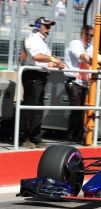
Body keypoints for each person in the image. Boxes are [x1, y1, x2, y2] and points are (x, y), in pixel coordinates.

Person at [64, 25, 101, 142]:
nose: (89, 37)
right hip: (74, 82)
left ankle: (78, 134)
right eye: (87, 34)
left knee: (82, 110)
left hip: (84, 83)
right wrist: (97, 66)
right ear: (82, 34)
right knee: (76, 110)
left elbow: (99, 58)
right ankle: (74, 135)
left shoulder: (90, 47)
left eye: (91, 35)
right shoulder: (75, 44)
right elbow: (84, 57)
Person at [21, 17, 65, 149]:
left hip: (40, 75)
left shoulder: (41, 41)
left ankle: (35, 138)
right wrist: (53, 59)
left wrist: (57, 64)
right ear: (38, 26)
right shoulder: (32, 38)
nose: (48, 29)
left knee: (37, 108)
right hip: (32, 75)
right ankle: (25, 138)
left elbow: (44, 60)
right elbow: (36, 56)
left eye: (49, 27)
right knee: (31, 107)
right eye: (46, 26)